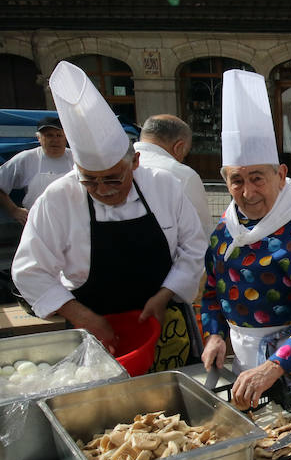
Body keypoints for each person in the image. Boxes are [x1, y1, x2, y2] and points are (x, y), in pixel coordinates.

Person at [12, 61, 206, 356]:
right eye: (89, 180)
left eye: (114, 178)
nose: (103, 190)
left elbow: (194, 248)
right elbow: (29, 271)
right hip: (93, 329)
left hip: (164, 321)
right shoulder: (57, 198)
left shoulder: (164, 186)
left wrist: (166, 294)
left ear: (135, 162)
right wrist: (80, 315)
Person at [200, 69, 291, 411]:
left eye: (257, 178)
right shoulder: (226, 229)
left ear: (280, 175)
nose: (247, 192)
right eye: (237, 181)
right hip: (244, 363)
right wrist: (215, 333)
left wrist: (276, 365)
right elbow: (212, 290)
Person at [134, 115, 214, 238]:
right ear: (179, 147)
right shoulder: (184, 175)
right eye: (185, 154)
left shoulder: (117, 164)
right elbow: (202, 232)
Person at [0, 116, 74, 225]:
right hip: (37, 223)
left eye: (59, 135)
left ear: (66, 137)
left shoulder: (77, 159)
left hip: (72, 223)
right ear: (38, 137)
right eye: (49, 135)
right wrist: (14, 210)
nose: (55, 140)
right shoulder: (26, 158)